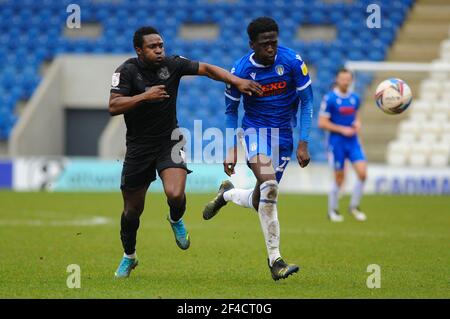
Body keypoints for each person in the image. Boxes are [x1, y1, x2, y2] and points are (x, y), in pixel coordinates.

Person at [109, 26, 262, 278]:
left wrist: (237, 81)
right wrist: (145, 96)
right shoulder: (126, 71)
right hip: (138, 147)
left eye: (161, 45)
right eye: (153, 47)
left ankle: (175, 218)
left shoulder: (173, 64)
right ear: (139, 50)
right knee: (132, 211)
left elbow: (208, 70)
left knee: (175, 193)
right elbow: (113, 105)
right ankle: (130, 256)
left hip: (170, 139)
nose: (159, 50)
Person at [202, 17, 314, 281]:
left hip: (284, 137)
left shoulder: (293, 62)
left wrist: (303, 141)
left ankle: (227, 195)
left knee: (260, 199)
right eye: (265, 44)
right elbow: (231, 111)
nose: (271, 48)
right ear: (252, 44)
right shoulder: (240, 70)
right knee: (269, 186)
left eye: (274, 42)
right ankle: (275, 260)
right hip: (255, 132)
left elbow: (307, 102)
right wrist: (231, 148)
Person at [318, 68, 367, 222]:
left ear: (351, 80)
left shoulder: (355, 98)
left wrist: (357, 123)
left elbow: (356, 116)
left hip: (353, 142)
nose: (345, 81)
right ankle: (332, 210)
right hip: (336, 142)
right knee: (340, 178)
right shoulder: (330, 99)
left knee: (362, 173)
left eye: (348, 78)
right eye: (342, 78)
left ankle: (354, 206)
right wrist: (342, 129)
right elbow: (322, 122)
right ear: (337, 80)